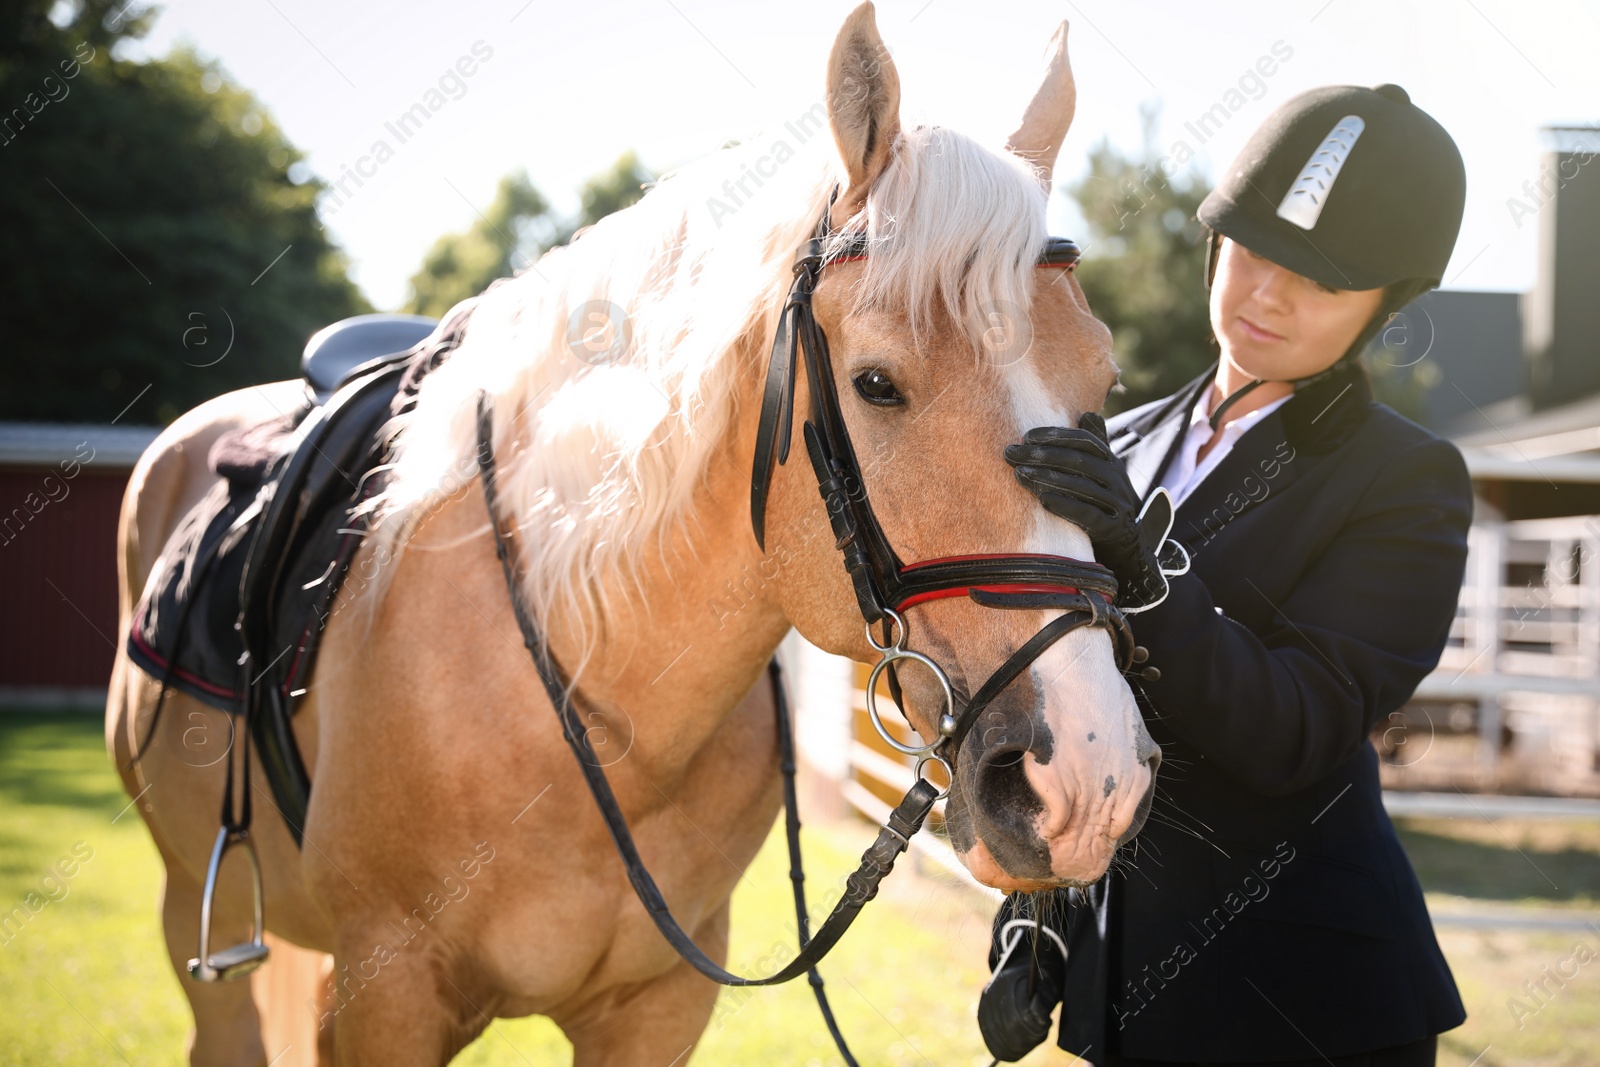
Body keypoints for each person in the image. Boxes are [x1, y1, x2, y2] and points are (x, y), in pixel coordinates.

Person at [977, 84, 1472, 1066]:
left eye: (1319, 281)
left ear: (1387, 302)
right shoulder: (1116, 439)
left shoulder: (1406, 479)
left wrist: (1143, 568)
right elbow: (1059, 699)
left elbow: (1293, 729)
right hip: (1122, 984)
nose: (1264, 295)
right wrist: (1034, 915)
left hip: (1305, 1004)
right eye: (1251, 250)